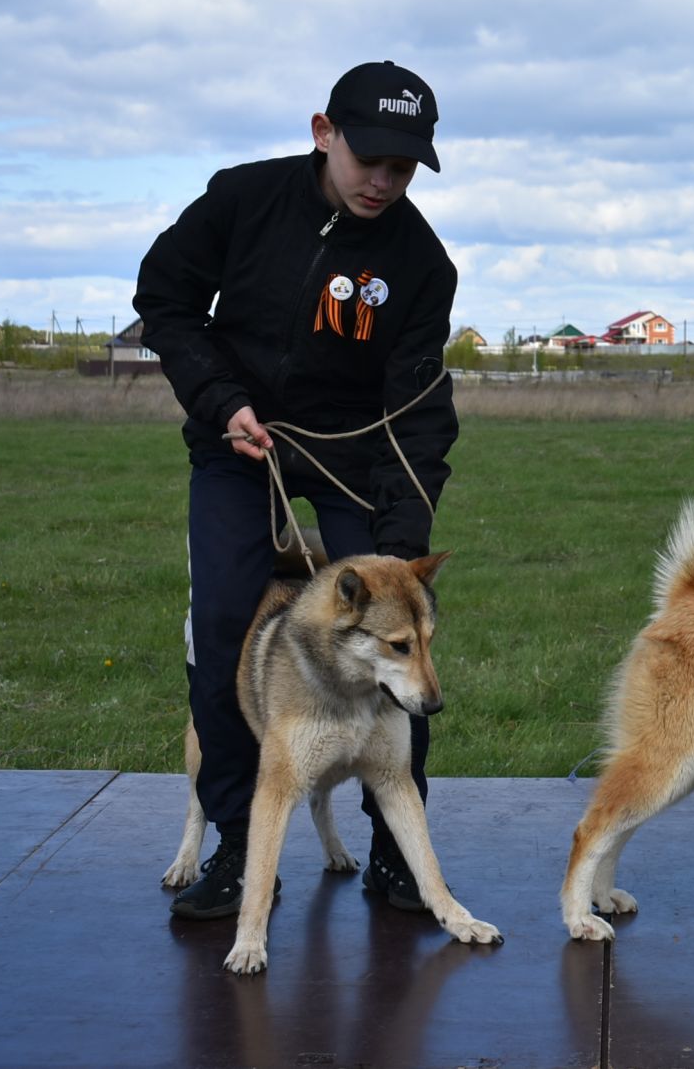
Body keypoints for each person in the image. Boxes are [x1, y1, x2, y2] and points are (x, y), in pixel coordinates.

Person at [134, 61, 459, 919]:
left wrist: (401, 540)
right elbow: (162, 299)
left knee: (398, 629)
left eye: (405, 167)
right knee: (223, 625)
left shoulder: (422, 263)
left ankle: (395, 849)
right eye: (370, 161)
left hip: (353, 455)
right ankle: (245, 844)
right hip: (239, 445)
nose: (385, 182)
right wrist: (220, 398)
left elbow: (421, 411)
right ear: (324, 132)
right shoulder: (241, 201)